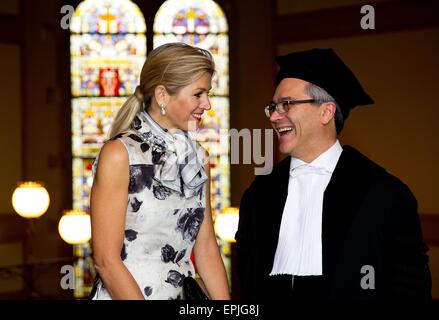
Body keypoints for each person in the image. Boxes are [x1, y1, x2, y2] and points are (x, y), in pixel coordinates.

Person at [235, 48, 431, 300]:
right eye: (273, 106)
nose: (274, 116)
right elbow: (248, 278)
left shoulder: (382, 192)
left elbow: (409, 288)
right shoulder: (259, 193)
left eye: (286, 104)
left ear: (326, 112)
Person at [89, 43, 230, 300]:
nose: (207, 104)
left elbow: (207, 248)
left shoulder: (198, 157)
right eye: (198, 94)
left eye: (207, 93)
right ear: (162, 95)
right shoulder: (119, 154)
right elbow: (105, 261)